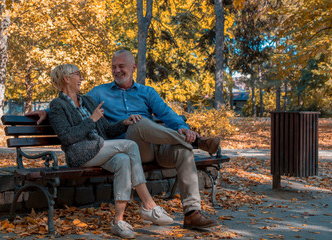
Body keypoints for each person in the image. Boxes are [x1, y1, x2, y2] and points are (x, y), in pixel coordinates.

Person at [26, 50, 221, 230]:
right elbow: (69, 106)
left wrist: (184, 128)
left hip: (156, 148)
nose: (117, 70)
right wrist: (46, 111)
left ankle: (192, 213)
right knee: (139, 122)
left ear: (133, 68)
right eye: (114, 67)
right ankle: (196, 143)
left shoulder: (147, 92)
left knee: (183, 152)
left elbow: (167, 114)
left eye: (121, 66)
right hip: (129, 147)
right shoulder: (99, 92)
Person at [47, 64, 173, 239]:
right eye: (78, 74)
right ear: (66, 78)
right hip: (79, 154)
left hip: (99, 148)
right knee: (130, 146)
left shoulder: (88, 101)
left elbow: (106, 130)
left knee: (122, 160)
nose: (81, 78)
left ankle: (118, 221)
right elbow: (67, 137)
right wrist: (91, 120)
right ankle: (148, 205)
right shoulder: (57, 105)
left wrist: (124, 123)